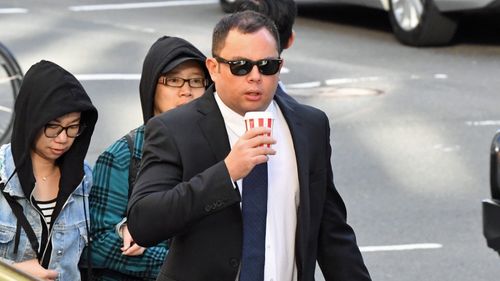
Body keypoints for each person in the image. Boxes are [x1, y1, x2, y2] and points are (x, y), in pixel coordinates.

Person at [128, 11, 371, 281]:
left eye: (267, 66)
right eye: (241, 66)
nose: (255, 76)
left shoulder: (309, 126)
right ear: (213, 67)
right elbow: (143, 223)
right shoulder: (175, 128)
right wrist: (226, 173)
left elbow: (331, 230)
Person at [80, 36, 210, 280]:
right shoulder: (121, 156)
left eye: (195, 81)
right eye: (173, 80)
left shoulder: (219, 151)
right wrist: (177, 263)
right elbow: (95, 243)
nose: (186, 91)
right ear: (152, 87)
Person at [0, 60, 98, 281]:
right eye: (53, 126)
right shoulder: (2, 173)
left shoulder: (83, 178)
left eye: (73, 127)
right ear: (31, 118)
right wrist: (15, 272)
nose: (62, 138)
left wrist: (126, 229)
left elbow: (97, 239)